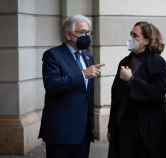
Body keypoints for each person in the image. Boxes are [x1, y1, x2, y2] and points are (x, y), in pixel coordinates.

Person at [39, 15, 104, 158]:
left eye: (88, 33)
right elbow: (52, 85)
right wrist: (82, 75)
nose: (86, 36)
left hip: (83, 131)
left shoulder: (87, 56)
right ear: (69, 35)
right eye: (82, 32)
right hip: (61, 131)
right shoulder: (53, 55)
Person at [107, 21, 166, 158]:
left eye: (135, 36)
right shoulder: (124, 62)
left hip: (148, 131)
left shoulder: (158, 63)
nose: (131, 38)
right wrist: (111, 127)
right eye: (131, 34)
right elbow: (116, 97)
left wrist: (131, 80)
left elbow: (157, 93)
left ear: (147, 40)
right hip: (124, 128)